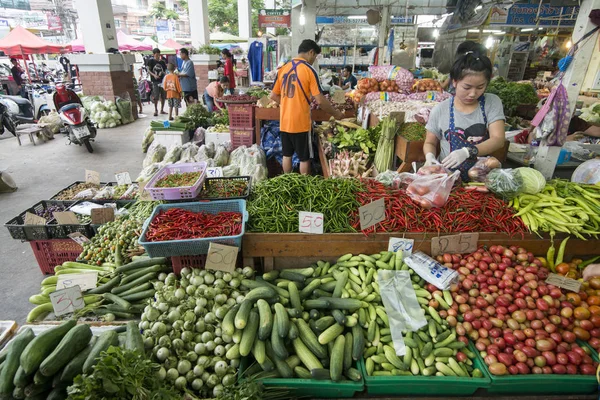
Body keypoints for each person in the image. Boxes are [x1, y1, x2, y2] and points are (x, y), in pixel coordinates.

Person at [423, 50, 506, 180]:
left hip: (482, 178)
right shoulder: (440, 110)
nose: (473, 93)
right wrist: (429, 157)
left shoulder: (491, 103)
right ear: (454, 82)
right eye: (467, 87)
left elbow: (498, 139)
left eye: (480, 87)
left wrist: (467, 152)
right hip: (448, 179)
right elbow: (430, 142)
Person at [270, 39, 345, 175]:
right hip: (301, 123)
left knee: (287, 155)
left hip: (285, 121)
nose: (314, 60)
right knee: (304, 158)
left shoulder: (283, 69)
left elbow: (273, 96)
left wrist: (288, 104)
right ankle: (304, 185)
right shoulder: (309, 70)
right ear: (311, 52)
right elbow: (320, 101)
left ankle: (286, 182)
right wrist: (336, 113)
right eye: (315, 56)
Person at [147, 48, 167, 116]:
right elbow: (148, 70)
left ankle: (162, 109)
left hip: (162, 81)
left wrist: (162, 73)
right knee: (156, 96)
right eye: (156, 55)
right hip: (155, 81)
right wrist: (154, 75)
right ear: (154, 54)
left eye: (159, 55)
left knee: (163, 96)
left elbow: (165, 71)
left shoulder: (162, 62)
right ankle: (156, 110)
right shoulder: (151, 61)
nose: (158, 56)